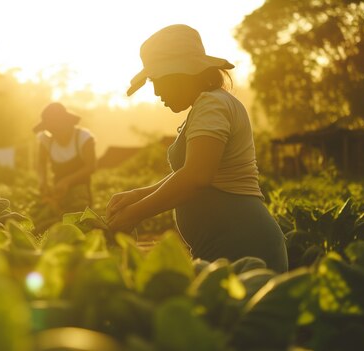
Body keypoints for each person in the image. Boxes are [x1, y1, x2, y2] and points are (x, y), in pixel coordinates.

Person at [105, 24, 288, 273]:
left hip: (244, 246)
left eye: (157, 80)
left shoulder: (212, 104)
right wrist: (139, 194)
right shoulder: (208, 106)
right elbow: (191, 169)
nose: (156, 92)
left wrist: (134, 214)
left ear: (180, 73)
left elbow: (197, 176)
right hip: (225, 246)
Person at [32, 102, 97, 231]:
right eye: (50, 129)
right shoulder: (47, 140)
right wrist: (43, 181)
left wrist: (67, 181)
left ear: (66, 123)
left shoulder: (83, 138)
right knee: (39, 218)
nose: (52, 131)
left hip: (80, 192)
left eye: (55, 127)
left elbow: (92, 166)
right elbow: (41, 163)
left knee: (76, 223)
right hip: (57, 191)